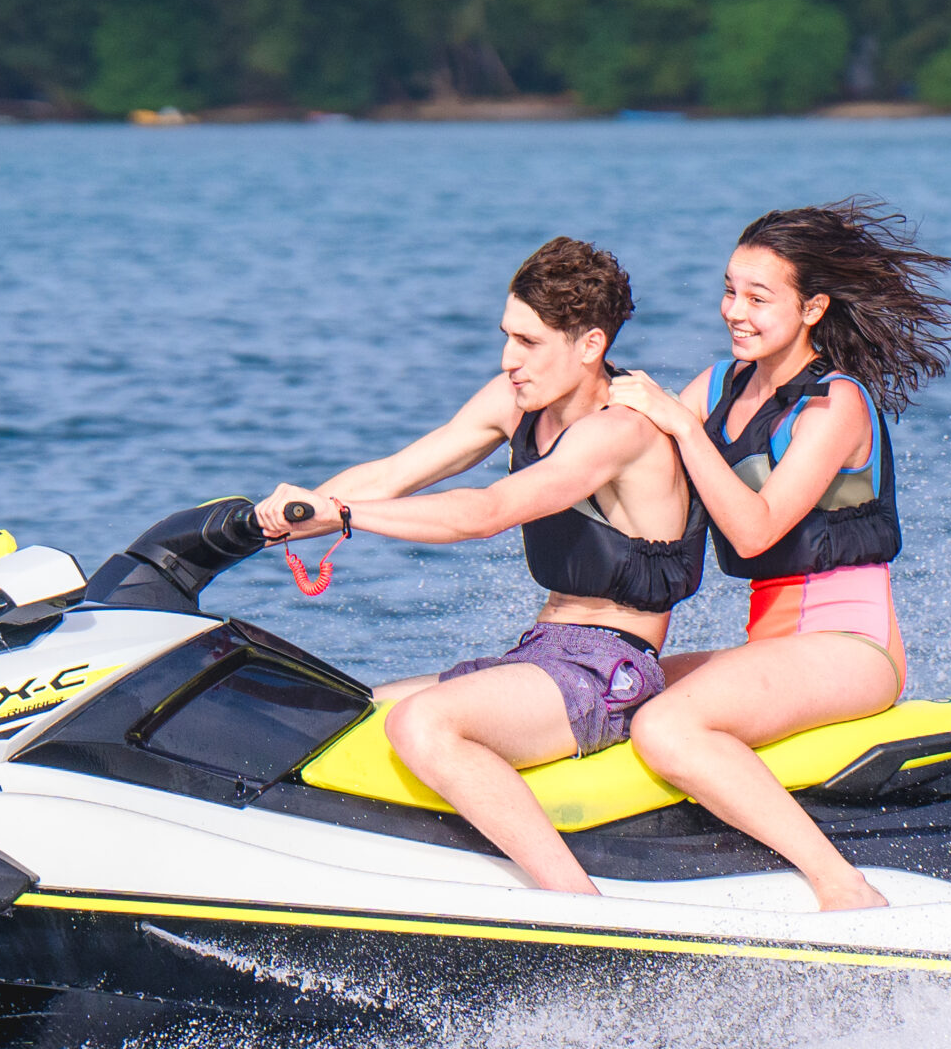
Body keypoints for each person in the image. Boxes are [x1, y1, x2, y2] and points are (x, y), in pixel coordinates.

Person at [259, 237, 703, 896]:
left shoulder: (622, 432)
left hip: (607, 671)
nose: (507, 359)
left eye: (528, 341)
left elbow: (487, 510)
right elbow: (394, 473)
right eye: (506, 336)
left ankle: (579, 906)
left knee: (423, 721)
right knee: (338, 711)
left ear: (589, 345)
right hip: (539, 653)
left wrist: (346, 515)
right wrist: (277, 517)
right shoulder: (517, 400)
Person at [606, 199, 951, 913]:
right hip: (772, 639)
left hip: (850, 645)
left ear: (812, 307)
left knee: (667, 724)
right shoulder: (717, 388)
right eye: (730, 289)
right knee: (611, 690)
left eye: (759, 297)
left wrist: (679, 424)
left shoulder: (836, 406)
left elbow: (756, 529)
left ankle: (843, 887)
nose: (736, 309)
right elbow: (621, 453)